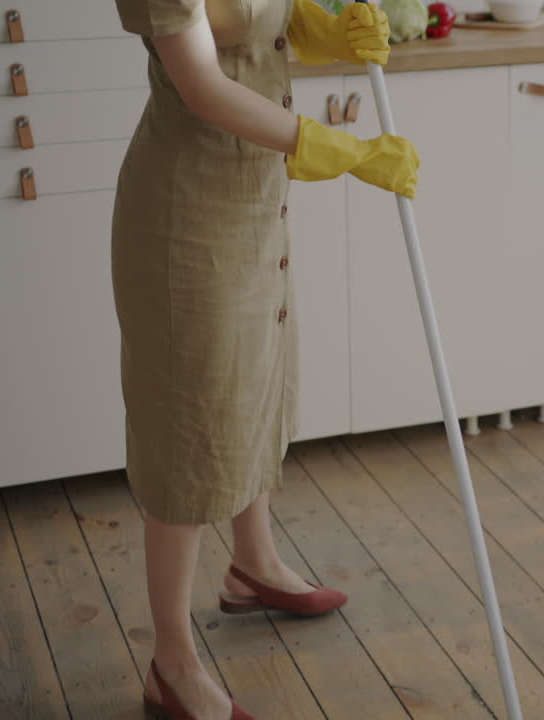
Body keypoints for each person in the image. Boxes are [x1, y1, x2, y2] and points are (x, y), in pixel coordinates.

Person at [109, 0, 419, 716]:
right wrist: (343, 151)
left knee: (254, 381)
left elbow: (261, 22)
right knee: (191, 424)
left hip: (253, 202)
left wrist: (323, 29)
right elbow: (204, 86)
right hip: (187, 216)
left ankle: (253, 565)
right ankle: (171, 663)